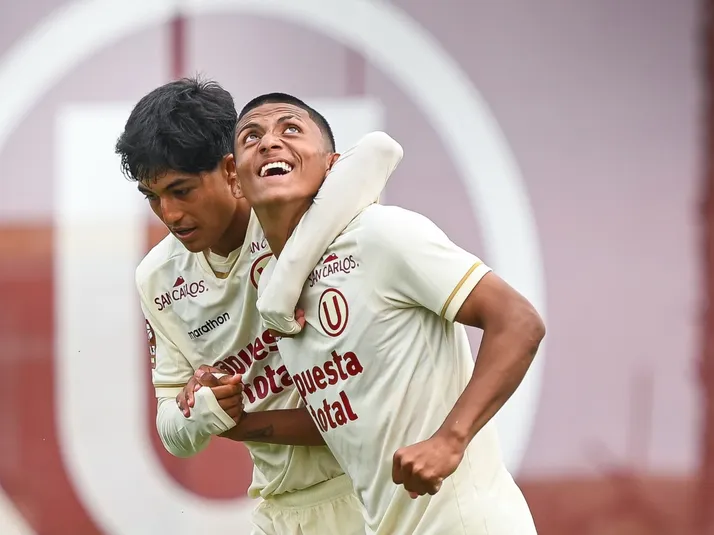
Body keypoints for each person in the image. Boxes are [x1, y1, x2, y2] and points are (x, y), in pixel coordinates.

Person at [229, 92, 546, 534]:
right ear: (235, 181)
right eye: (251, 137)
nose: (269, 142)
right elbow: (344, 416)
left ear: (333, 166)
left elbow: (518, 321)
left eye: (291, 129)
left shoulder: (381, 234)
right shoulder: (277, 294)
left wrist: (450, 440)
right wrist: (233, 420)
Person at [115, 77, 403, 535]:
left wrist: (284, 282)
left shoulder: (295, 206)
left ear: (231, 170)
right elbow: (173, 431)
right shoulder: (157, 277)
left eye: (182, 190)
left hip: (378, 485)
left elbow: (379, 151)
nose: (169, 214)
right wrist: (205, 411)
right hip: (281, 509)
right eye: (153, 197)